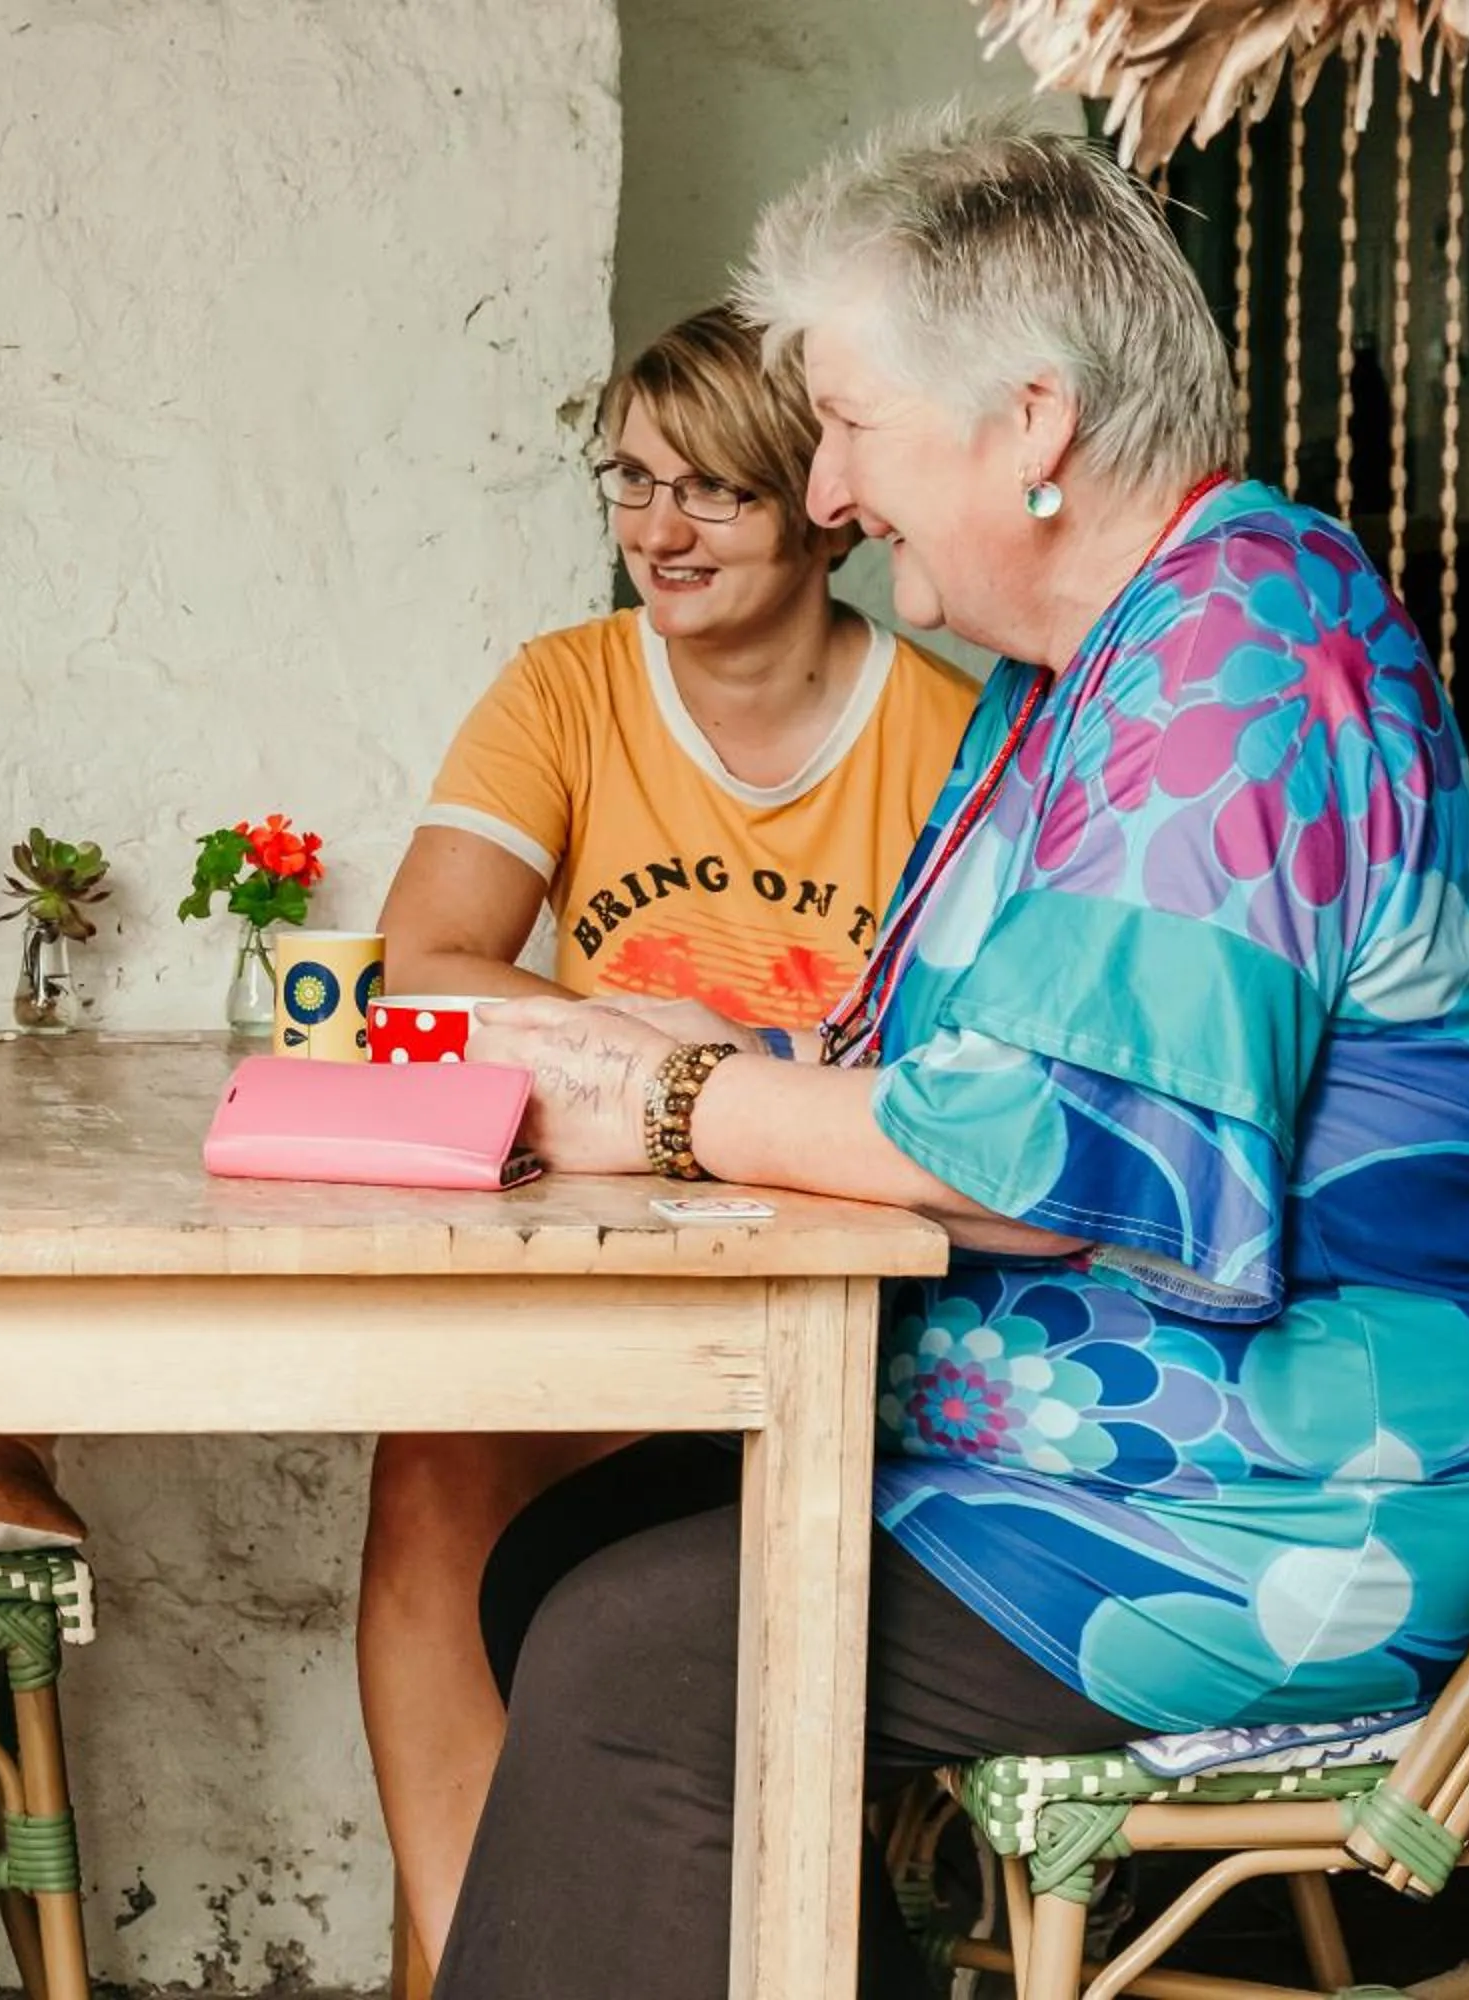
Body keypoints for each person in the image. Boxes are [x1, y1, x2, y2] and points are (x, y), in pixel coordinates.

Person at [438, 108, 1469, 2000]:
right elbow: (976, 1055)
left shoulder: (1239, 654)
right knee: (560, 1557)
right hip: (1142, 1441)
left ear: (1034, 422)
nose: (827, 492)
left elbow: (1045, 1160)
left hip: (1303, 1502)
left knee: (638, 1661)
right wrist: (719, 1040)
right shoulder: (1092, 663)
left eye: (850, 423)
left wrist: (668, 1101)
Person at [361, 305, 975, 1964]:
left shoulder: (949, 735)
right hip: (612, 1261)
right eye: (631, 480)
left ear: (824, 510)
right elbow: (419, 966)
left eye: (714, 489)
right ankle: (478, 1965)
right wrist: (680, 1050)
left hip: (849, 1303)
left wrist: (669, 1068)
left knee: (637, 1590)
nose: (659, 529)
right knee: (436, 1464)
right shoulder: (565, 687)